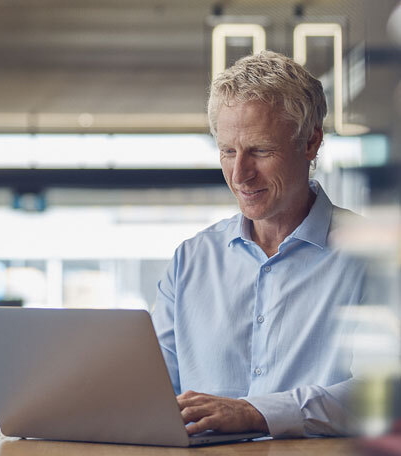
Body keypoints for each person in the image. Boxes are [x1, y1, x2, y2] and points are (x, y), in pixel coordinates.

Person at [152, 50, 366, 438]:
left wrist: (256, 413)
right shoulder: (191, 260)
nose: (240, 175)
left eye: (260, 151)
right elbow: (150, 392)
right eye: (228, 151)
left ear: (310, 142)